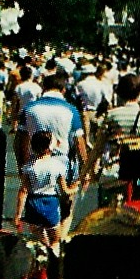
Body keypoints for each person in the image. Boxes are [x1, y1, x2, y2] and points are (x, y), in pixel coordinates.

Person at [17, 68, 87, 237]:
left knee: (38, 214)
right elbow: (79, 144)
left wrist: (23, 164)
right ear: (63, 90)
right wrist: (85, 170)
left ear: (43, 87)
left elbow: (19, 141)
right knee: (65, 212)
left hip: (36, 163)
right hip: (63, 165)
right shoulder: (71, 110)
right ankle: (59, 242)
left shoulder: (30, 109)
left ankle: (44, 246)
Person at [15, 130, 74, 252]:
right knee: (55, 239)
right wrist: (76, 187)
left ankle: (43, 257)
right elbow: (65, 191)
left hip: (33, 203)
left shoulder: (29, 167)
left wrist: (18, 214)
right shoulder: (58, 166)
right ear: (49, 146)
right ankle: (52, 261)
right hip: (50, 202)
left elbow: (23, 191)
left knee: (40, 239)